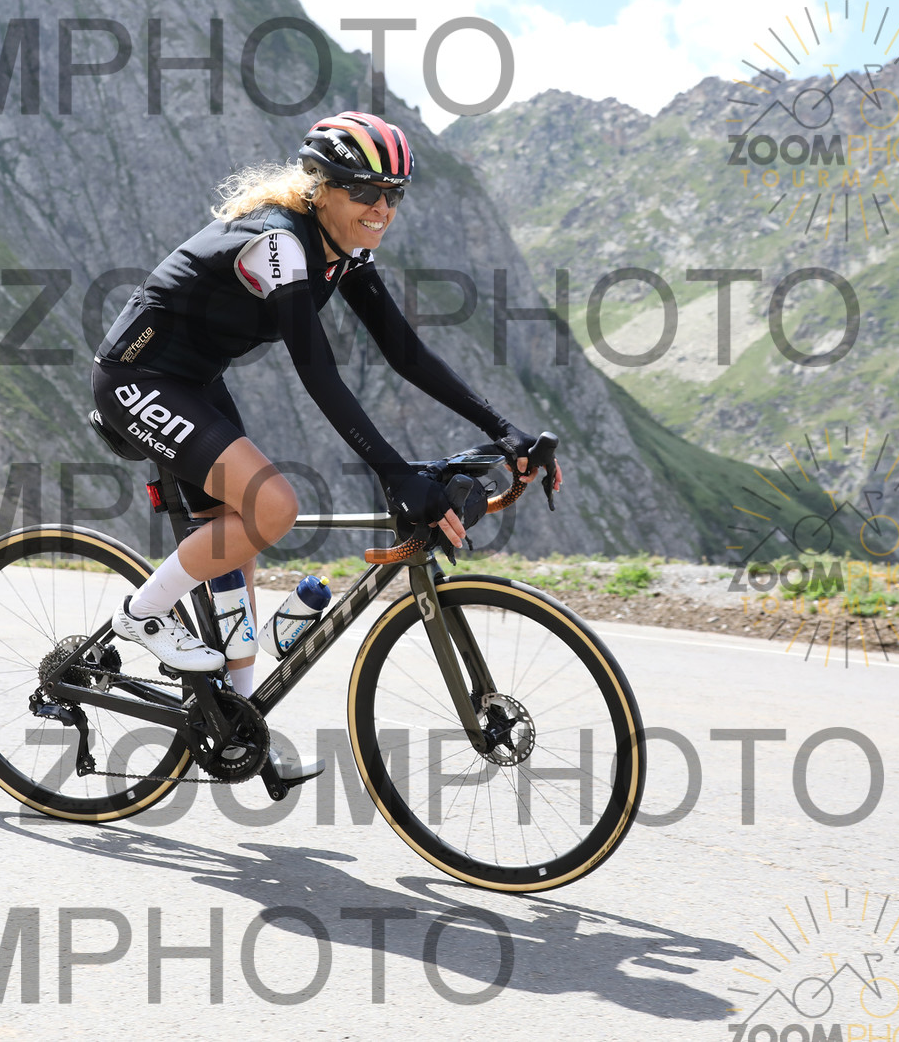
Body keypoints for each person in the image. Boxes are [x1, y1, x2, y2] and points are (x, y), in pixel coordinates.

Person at [91, 111, 561, 781]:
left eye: (393, 194)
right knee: (272, 508)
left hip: (196, 381)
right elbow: (318, 372)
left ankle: (240, 729)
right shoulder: (279, 245)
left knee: (237, 543)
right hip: (137, 378)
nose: (382, 208)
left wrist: (503, 430)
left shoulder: (344, 249)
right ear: (321, 187)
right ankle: (142, 614)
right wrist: (395, 474)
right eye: (365, 191)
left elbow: (403, 351)